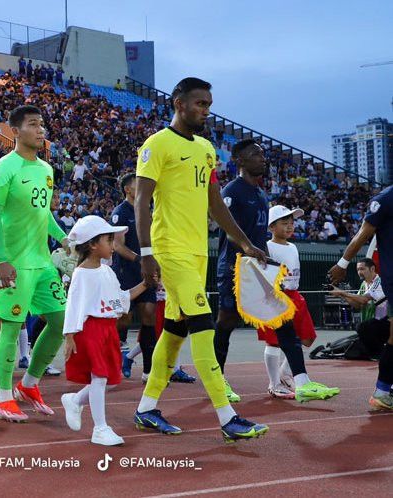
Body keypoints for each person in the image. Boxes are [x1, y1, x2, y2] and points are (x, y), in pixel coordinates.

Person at [131, 77, 269, 443]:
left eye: (208, 104)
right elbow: (140, 200)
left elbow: (215, 203)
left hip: (197, 253)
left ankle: (146, 409)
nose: (206, 110)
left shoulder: (207, 149)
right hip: (169, 249)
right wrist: (146, 253)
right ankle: (227, 416)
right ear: (179, 104)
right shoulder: (157, 144)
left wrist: (243, 242)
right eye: (200, 104)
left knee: (174, 332)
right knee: (203, 325)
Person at [0, 105, 68, 422]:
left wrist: (63, 240)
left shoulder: (46, 170)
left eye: (42, 123)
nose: (41, 129)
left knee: (61, 321)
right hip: (13, 264)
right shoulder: (3, 169)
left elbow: (44, 214)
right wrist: (2, 259)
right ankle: (4, 398)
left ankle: (29, 384)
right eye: (34, 124)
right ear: (15, 131)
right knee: (12, 326)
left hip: (43, 263)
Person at [60, 216, 148, 446]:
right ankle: (100, 428)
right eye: (109, 240)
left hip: (108, 329)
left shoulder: (107, 271)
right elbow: (73, 306)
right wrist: (69, 336)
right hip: (91, 329)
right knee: (99, 377)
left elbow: (121, 298)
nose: (113, 245)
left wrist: (146, 285)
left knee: (110, 380)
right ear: (92, 244)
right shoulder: (81, 274)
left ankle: (76, 400)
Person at [112, 173, 195, 384]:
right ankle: (110, 359)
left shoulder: (148, 211)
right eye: (136, 184)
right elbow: (117, 244)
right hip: (126, 272)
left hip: (146, 270)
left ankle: (148, 370)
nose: (142, 187)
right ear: (127, 190)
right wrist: (140, 258)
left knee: (149, 315)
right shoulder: (121, 212)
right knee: (124, 319)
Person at [257, 206, 340, 401]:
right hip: (276, 297)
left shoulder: (293, 246)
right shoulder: (266, 247)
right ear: (271, 227)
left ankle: (286, 374)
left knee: (307, 338)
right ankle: (274, 383)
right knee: (274, 341)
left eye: (292, 223)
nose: (289, 227)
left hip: (295, 296)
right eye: (284, 223)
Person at [213, 139, 270, 402]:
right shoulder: (232, 191)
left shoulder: (261, 194)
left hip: (257, 267)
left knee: (281, 316)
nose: (262, 158)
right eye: (256, 154)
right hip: (233, 266)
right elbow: (227, 229)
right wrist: (247, 248)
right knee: (227, 320)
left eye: (263, 154)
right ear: (241, 161)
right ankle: (216, 378)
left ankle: (295, 377)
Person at [328, 184, 393, 411]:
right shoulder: (385, 199)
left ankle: (384, 391)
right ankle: (383, 391)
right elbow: (363, 233)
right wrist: (342, 263)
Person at [330, 258, 389, 358]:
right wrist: (342, 295)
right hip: (373, 324)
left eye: (362, 269)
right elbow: (357, 304)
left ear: (372, 269)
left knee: (363, 327)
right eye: (358, 270)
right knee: (362, 328)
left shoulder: (379, 282)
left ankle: (380, 354)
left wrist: (342, 292)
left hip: (385, 322)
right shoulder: (364, 284)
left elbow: (364, 300)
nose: (359, 272)